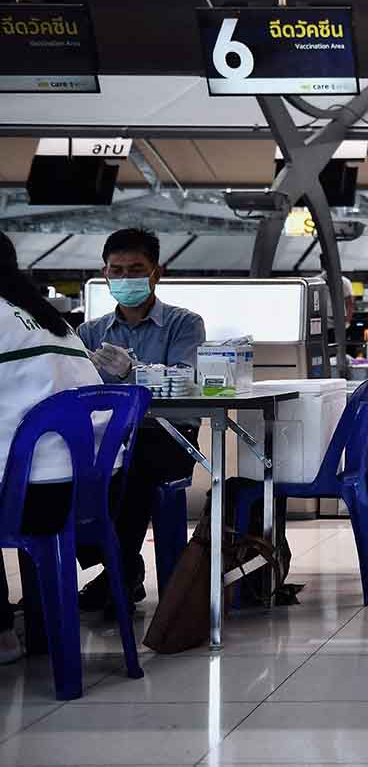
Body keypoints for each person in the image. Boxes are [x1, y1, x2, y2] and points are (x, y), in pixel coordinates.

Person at [77, 228, 205, 613]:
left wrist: (133, 371)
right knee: (66, 474)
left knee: (131, 471)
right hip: (107, 438)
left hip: (167, 436)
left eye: (136, 269)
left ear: (157, 273)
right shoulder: (90, 332)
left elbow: (183, 381)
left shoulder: (185, 324)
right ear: (105, 273)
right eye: (117, 270)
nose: (125, 278)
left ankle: (119, 572)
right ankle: (121, 567)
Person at [0, 233, 109, 663]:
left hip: (28, 497)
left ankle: (2, 633)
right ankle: (39, 630)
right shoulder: (51, 321)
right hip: (85, 492)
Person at [308, 253, 355, 329]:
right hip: (321, 319)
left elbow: (350, 303)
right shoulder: (316, 281)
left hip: (338, 319)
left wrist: (347, 321)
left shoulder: (344, 282)